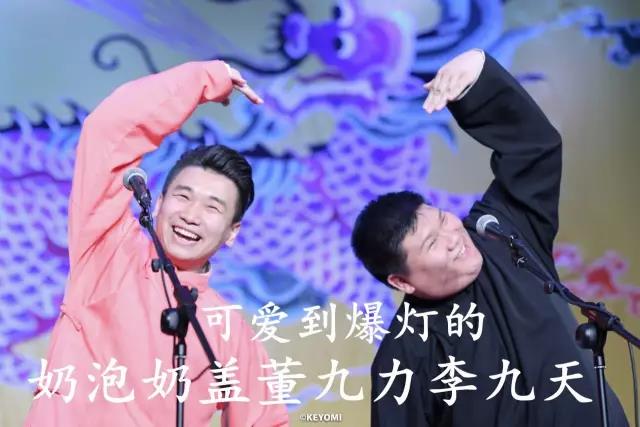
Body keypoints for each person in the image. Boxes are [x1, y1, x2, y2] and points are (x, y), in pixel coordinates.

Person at [351, 49, 629, 426]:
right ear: (401, 281)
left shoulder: (502, 235)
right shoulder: (403, 358)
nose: (453, 237)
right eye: (432, 243)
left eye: (443, 219)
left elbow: (534, 150)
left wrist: (479, 77)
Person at [25, 60, 289, 426]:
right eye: (183, 196)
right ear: (160, 202)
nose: (191, 215)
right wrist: (203, 79)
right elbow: (108, 132)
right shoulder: (107, 251)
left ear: (232, 231)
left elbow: (265, 420)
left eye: (213, 207)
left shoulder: (228, 330)